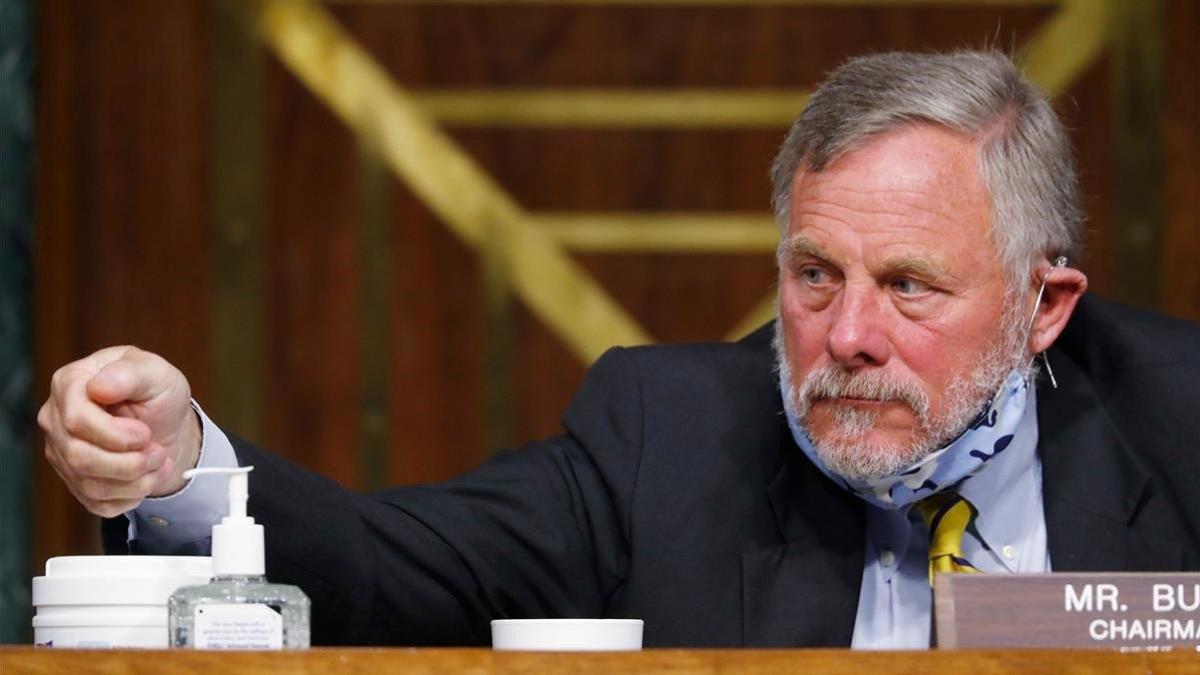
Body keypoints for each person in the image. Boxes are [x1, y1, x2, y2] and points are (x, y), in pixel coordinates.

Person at [39, 50, 1200, 649]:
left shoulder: (1179, 420)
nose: (847, 337)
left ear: (1044, 308)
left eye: (908, 287)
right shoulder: (673, 433)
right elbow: (392, 566)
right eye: (812, 276)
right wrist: (177, 462)